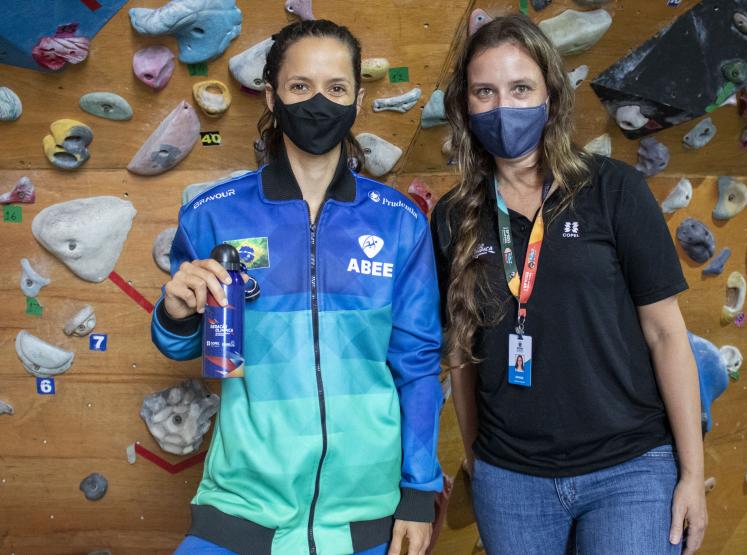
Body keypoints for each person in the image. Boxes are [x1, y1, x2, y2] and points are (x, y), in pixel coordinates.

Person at [151, 19, 443, 555]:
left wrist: (419, 491)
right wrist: (174, 313)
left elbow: (418, 364)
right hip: (240, 507)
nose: (319, 103)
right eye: (300, 86)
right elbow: (190, 345)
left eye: (336, 88)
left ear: (356, 99)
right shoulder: (212, 215)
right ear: (272, 95)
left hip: (366, 513)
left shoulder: (399, 222)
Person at [431, 15, 707, 555]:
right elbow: (460, 353)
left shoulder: (613, 190)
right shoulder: (451, 217)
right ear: (464, 106)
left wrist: (691, 475)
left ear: (552, 97)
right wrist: (475, 458)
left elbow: (667, 337)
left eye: (520, 88)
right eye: (484, 91)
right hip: (512, 479)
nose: (502, 106)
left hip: (631, 470)